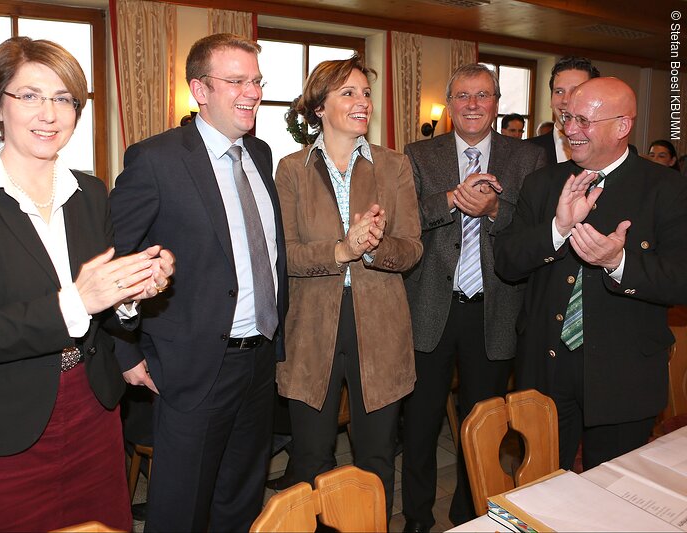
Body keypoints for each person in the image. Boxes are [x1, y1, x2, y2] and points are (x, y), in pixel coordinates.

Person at [0, 37, 173, 532]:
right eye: (29, 95)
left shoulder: (91, 192)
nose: (48, 113)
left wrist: (132, 293)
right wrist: (78, 300)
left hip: (91, 411)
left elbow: (106, 312)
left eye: (63, 98)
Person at [110, 33, 287, 532]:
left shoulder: (262, 154)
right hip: (192, 365)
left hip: (258, 361)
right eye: (236, 81)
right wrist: (126, 352)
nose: (251, 91)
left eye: (255, 80)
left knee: (241, 498)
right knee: (181, 509)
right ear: (199, 90)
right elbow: (114, 259)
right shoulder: (156, 160)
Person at [494, 77, 687, 472]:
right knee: (543, 486)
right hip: (546, 367)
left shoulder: (665, 188)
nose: (570, 130)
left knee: (611, 495)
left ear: (622, 126)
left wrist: (619, 263)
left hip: (623, 372)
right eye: (567, 118)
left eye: (584, 120)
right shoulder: (543, 182)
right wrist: (557, 230)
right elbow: (507, 263)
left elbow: (681, 279)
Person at [274, 55, 422, 521]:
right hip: (311, 329)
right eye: (348, 93)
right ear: (318, 107)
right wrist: (341, 250)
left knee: (376, 458)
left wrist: (373, 248)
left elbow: (413, 247)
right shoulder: (292, 169)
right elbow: (284, 256)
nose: (363, 103)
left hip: (379, 326)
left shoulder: (394, 166)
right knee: (310, 458)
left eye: (366, 92)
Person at [401, 63, 547, 531]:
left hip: (495, 310)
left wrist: (494, 209)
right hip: (429, 310)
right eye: (462, 96)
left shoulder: (525, 159)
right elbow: (407, 219)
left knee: (480, 425)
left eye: (482, 96)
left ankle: (469, 514)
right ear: (450, 105)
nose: (472, 105)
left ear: (496, 103)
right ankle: (418, 518)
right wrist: (451, 199)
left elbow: (535, 229)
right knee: (420, 425)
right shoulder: (419, 154)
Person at [528, 56, 600, 164]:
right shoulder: (526, 152)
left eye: (575, 91)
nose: (565, 100)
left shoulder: (611, 152)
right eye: (559, 91)